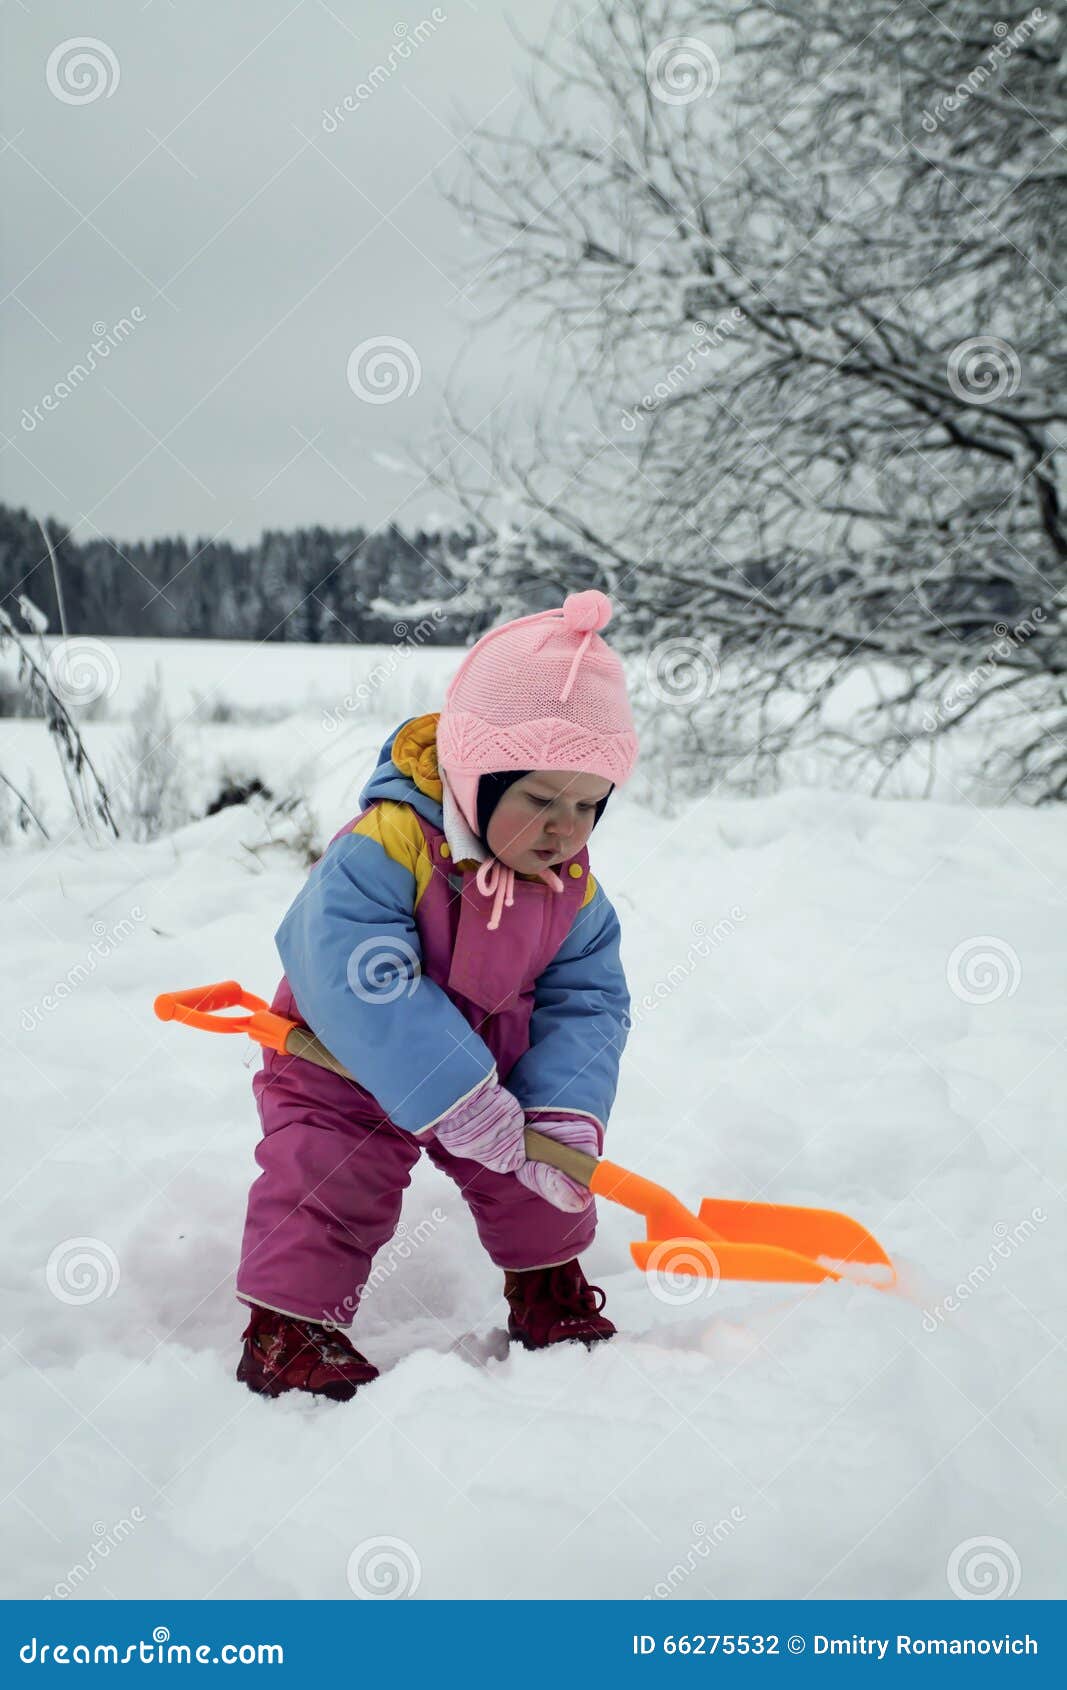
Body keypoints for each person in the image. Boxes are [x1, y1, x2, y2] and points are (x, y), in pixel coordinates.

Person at [234, 588, 639, 1401]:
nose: (565, 829)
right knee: (328, 1175)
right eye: (538, 800)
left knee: (542, 1173)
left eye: (588, 805)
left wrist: (561, 1106)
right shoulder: (386, 846)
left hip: (495, 1075)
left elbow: (589, 1003)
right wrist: (448, 1089)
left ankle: (545, 1287)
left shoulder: (572, 892)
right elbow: (354, 971)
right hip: (341, 1066)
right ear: (474, 774)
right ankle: (289, 1328)